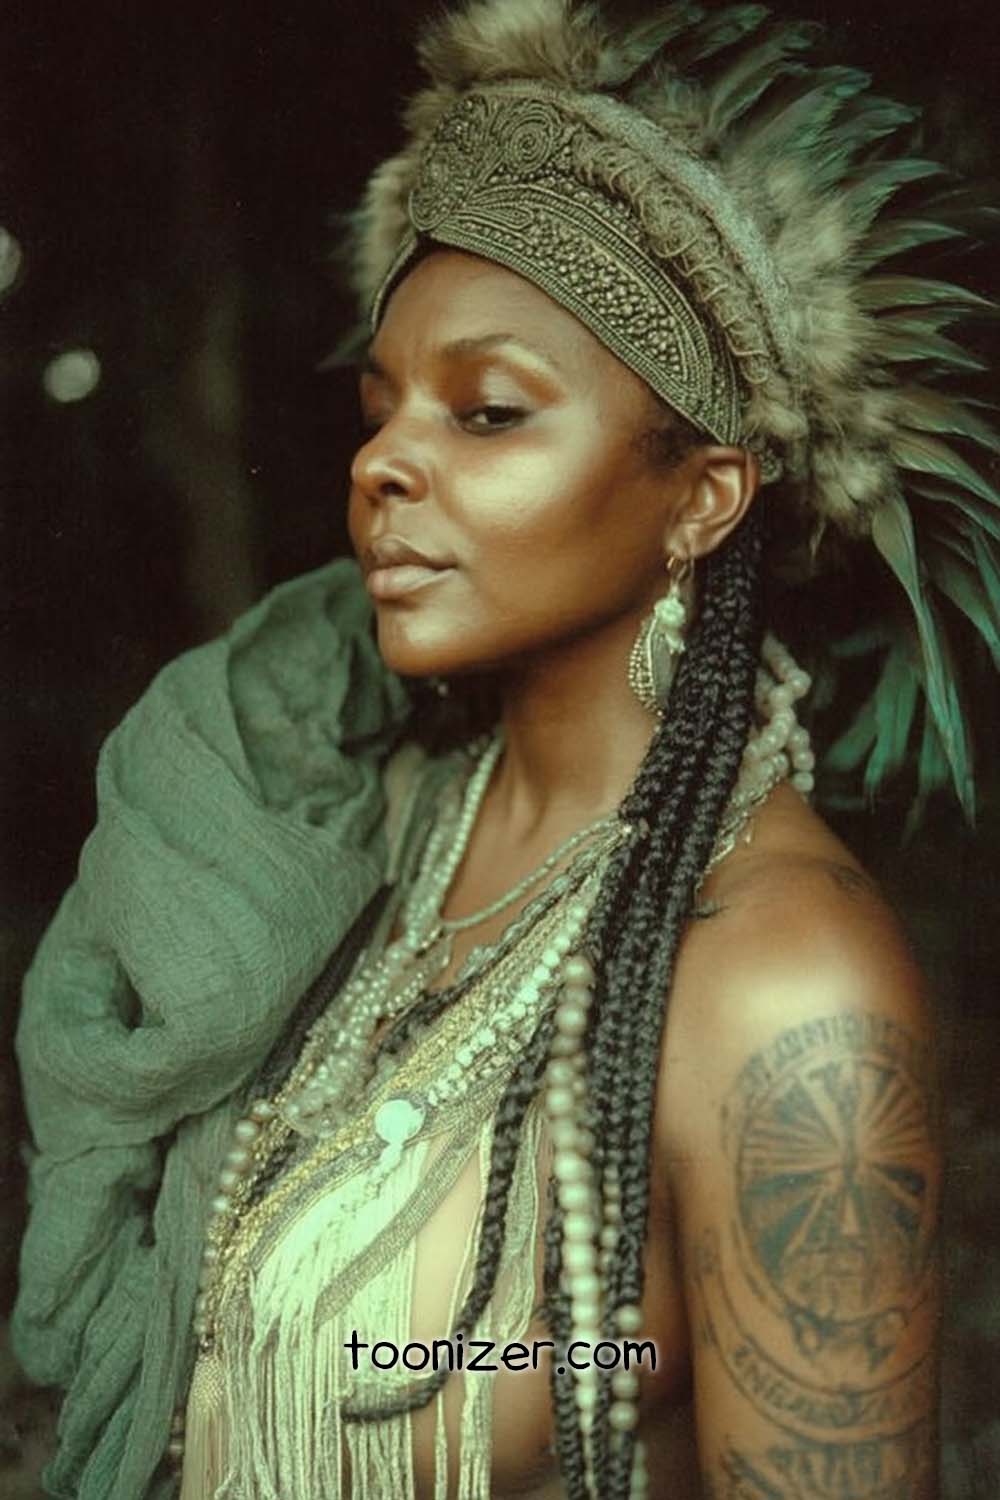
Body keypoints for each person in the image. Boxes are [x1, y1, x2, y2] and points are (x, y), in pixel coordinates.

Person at [12, 1, 998, 1497]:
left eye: (486, 412)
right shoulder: (365, 825)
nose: (381, 463)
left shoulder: (785, 982)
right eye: (379, 408)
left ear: (703, 499)